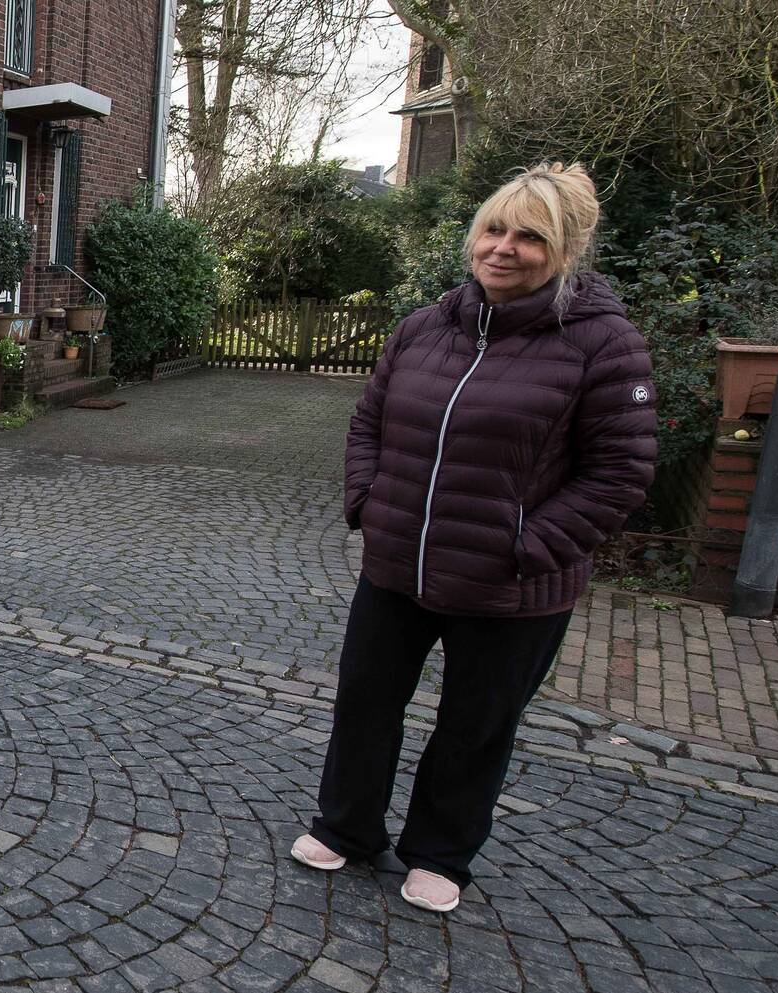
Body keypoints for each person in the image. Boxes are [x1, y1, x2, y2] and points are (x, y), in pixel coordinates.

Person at [291, 163, 657, 913]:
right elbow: (369, 422)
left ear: (565, 249)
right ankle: (347, 826)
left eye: (530, 237)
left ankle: (441, 854)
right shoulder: (425, 327)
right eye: (494, 229)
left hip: (511, 586)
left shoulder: (603, 344)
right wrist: (368, 501)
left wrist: (525, 547)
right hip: (398, 565)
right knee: (365, 702)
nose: (503, 248)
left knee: (475, 724)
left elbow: (619, 474)